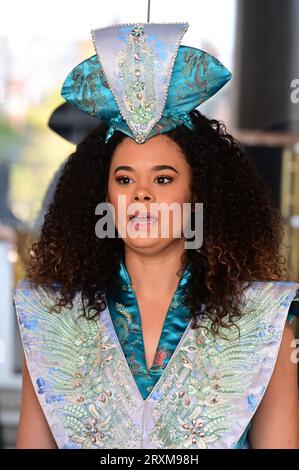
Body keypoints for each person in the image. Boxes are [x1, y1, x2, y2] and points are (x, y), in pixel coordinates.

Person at [14, 22, 299, 449]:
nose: (142, 194)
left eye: (163, 179)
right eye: (124, 180)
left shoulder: (266, 321)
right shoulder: (50, 318)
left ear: (198, 192)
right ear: (104, 195)